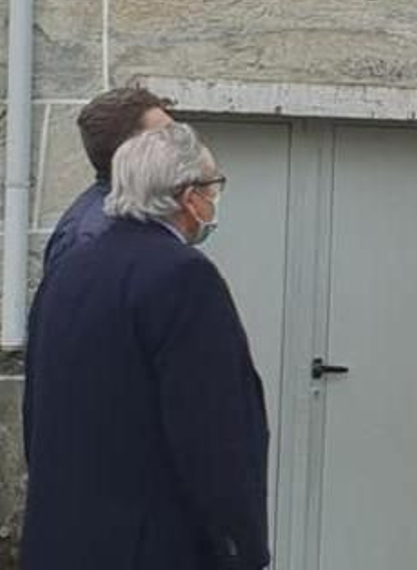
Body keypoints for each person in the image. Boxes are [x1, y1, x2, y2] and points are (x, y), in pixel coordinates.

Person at [22, 123, 269, 570]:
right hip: (152, 543)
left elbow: (36, 400)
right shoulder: (184, 277)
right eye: (213, 186)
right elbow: (212, 432)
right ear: (189, 196)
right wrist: (242, 545)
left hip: (63, 539)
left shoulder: (74, 265)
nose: (214, 199)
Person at [42, 86, 174, 270]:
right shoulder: (94, 236)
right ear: (130, 150)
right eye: (166, 135)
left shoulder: (143, 211)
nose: (181, 145)